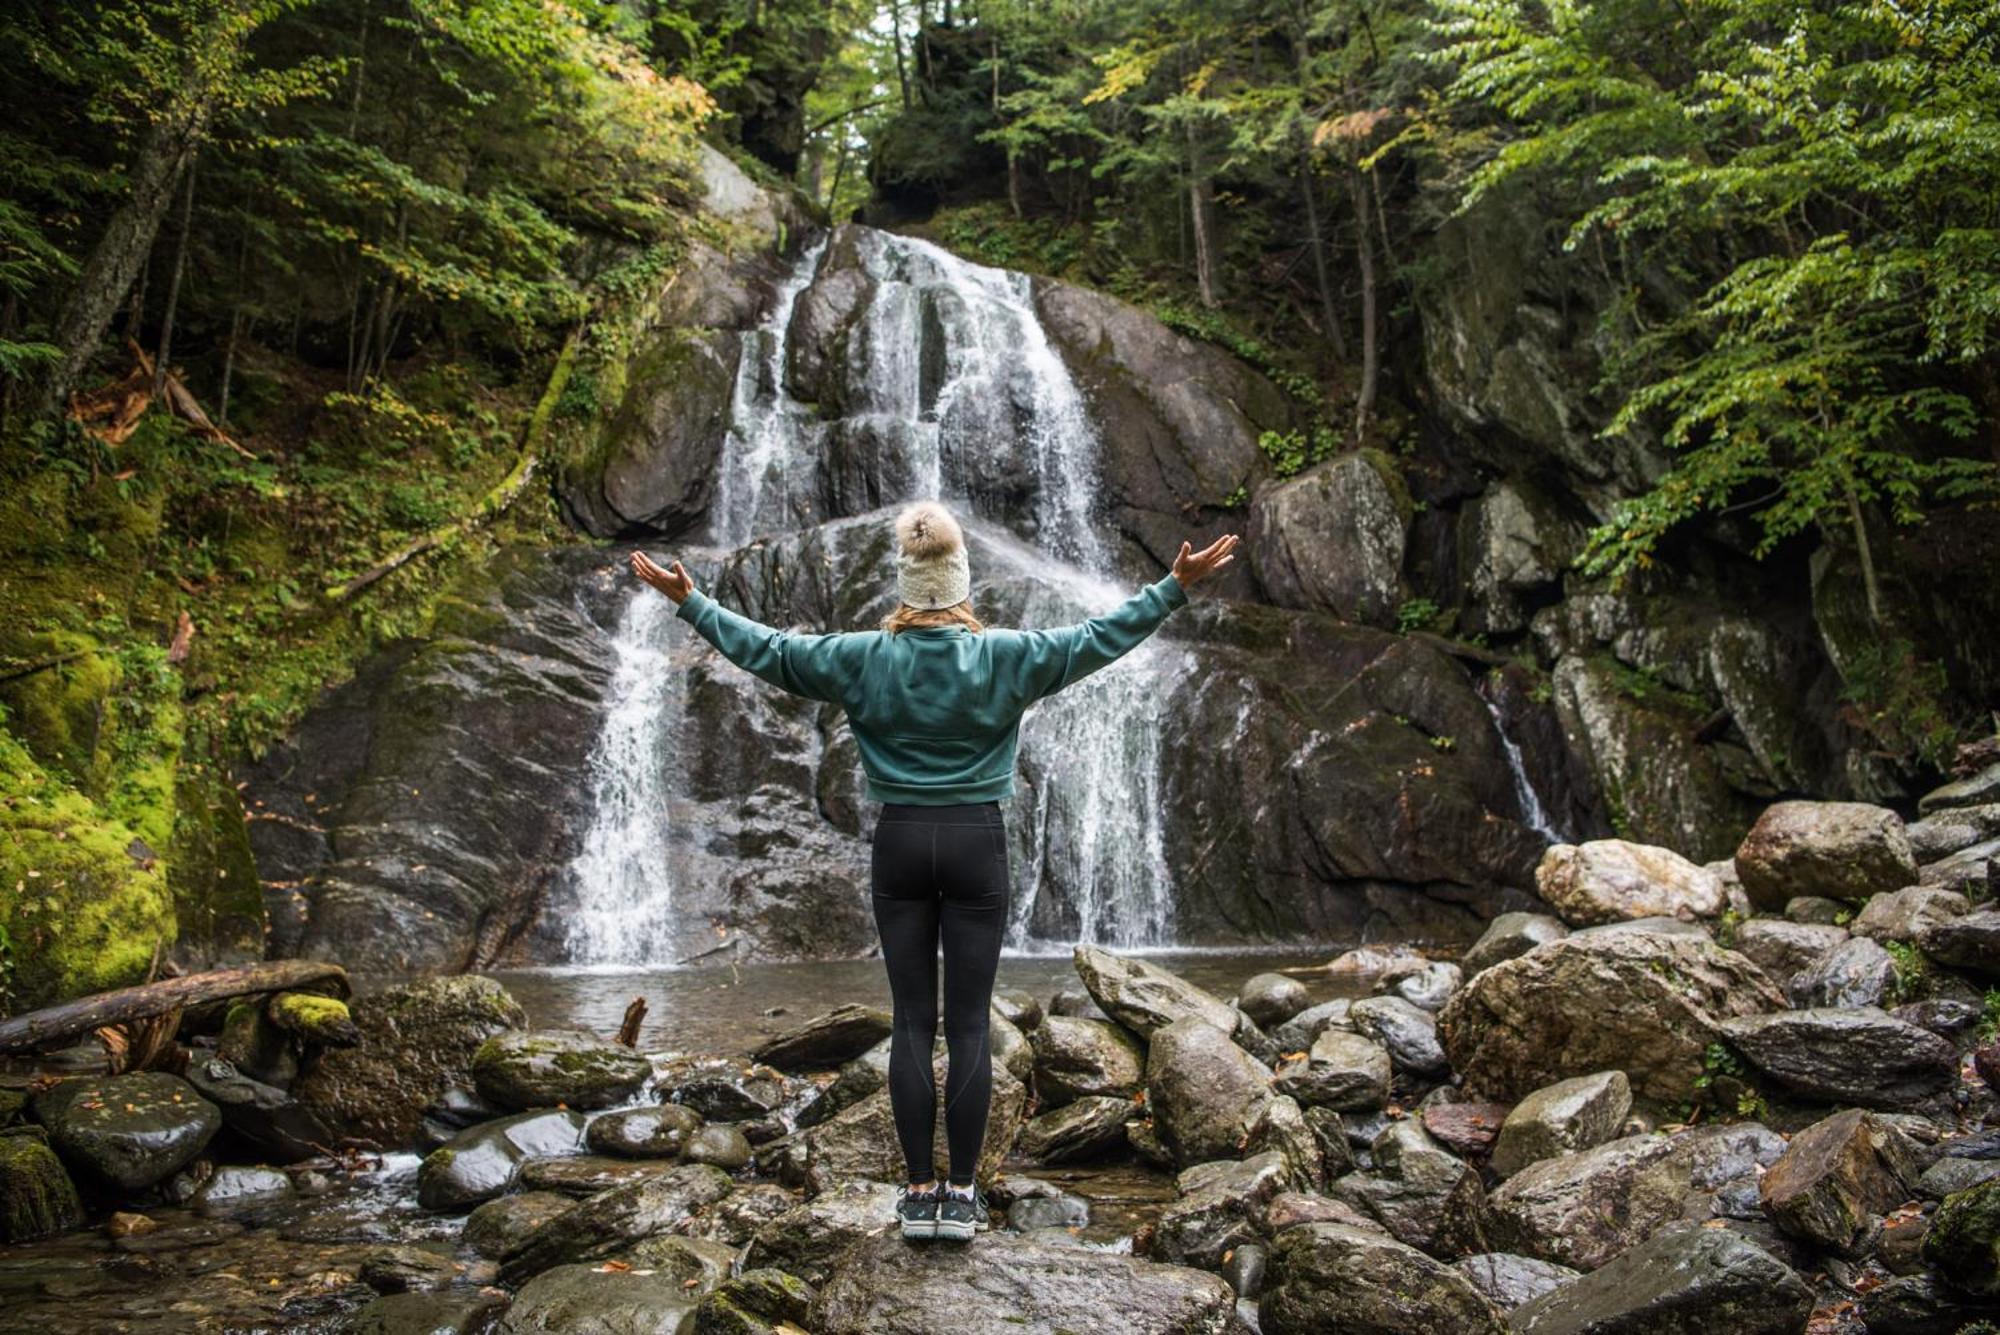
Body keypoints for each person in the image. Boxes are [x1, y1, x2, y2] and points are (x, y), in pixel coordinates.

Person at [628, 502, 1238, 1244]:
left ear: (905, 583)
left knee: (915, 1024)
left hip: (902, 839)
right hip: (977, 839)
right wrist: (1173, 585)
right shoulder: (1006, 654)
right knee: (972, 1025)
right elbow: (1097, 639)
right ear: (962, 582)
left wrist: (692, 602)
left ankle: (917, 1194)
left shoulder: (862, 655)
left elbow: (771, 651)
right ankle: (962, 1196)